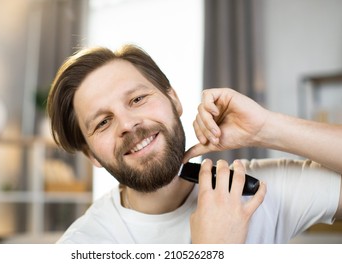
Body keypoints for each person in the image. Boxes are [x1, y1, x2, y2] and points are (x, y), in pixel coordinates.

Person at [47, 44, 342, 244]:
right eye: (103, 122)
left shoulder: (251, 190)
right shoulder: (84, 244)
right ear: (91, 155)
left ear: (174, 100)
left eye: (137, 99)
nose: (127, 125)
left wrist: (266, 129)